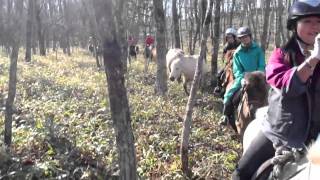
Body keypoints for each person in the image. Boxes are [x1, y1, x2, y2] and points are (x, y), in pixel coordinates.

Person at [232, 1, 320, 179]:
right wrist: (313, 60)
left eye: (319, 22)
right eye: (308, 21)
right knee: (240, 174)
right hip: (280, 132)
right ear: (295, 25)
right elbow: (284, 84)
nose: (315, 27)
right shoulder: (281, 54)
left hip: (315, 133)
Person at [219, 26, 265, 131]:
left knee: (272, 92)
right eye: (242, 38)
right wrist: (242, 78)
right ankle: (225, 116)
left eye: (246, 37)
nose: (244, 39)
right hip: (243, 78)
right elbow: (237, 70)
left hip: (258, 77)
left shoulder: (258, 50)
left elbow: (262, 65)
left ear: (250, 37)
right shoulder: (238, 53)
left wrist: (258, 75)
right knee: (229, 94)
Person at [213, 27, 240, 97]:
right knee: (219, 74)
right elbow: (224, 57)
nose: (229, 39)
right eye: (227, 37)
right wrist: (227, 62)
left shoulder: (239, 45)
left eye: (230, 37)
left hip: (239, 63)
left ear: (234, 37)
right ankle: (219, 87)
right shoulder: (226, 46)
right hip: (229, 63)